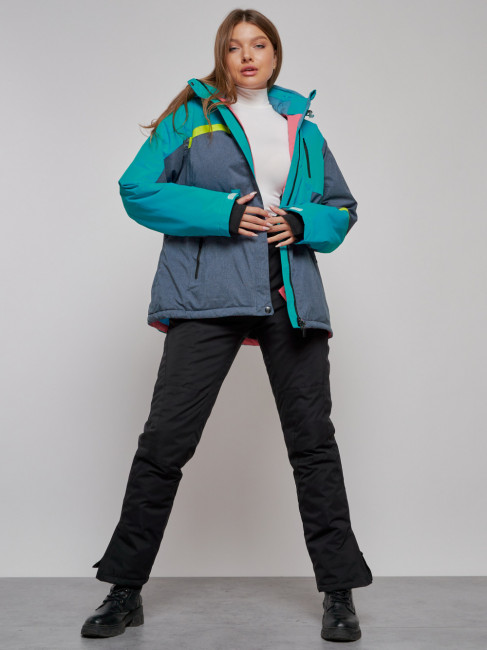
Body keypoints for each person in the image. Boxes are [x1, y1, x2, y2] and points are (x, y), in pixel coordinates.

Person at [81, 8, 373, 644]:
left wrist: (303, 223)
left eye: (258, 45)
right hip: (207, 291)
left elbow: (342, 208)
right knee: (165, 442)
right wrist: (224, 214)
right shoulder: (193, 114)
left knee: (313, 445)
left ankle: (339, 592)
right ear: (222, 54)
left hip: (289, 291)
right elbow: (137, 189)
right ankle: (124, 589)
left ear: (275, 55)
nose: (247, 56)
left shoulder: (303, 126)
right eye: (235, 46)